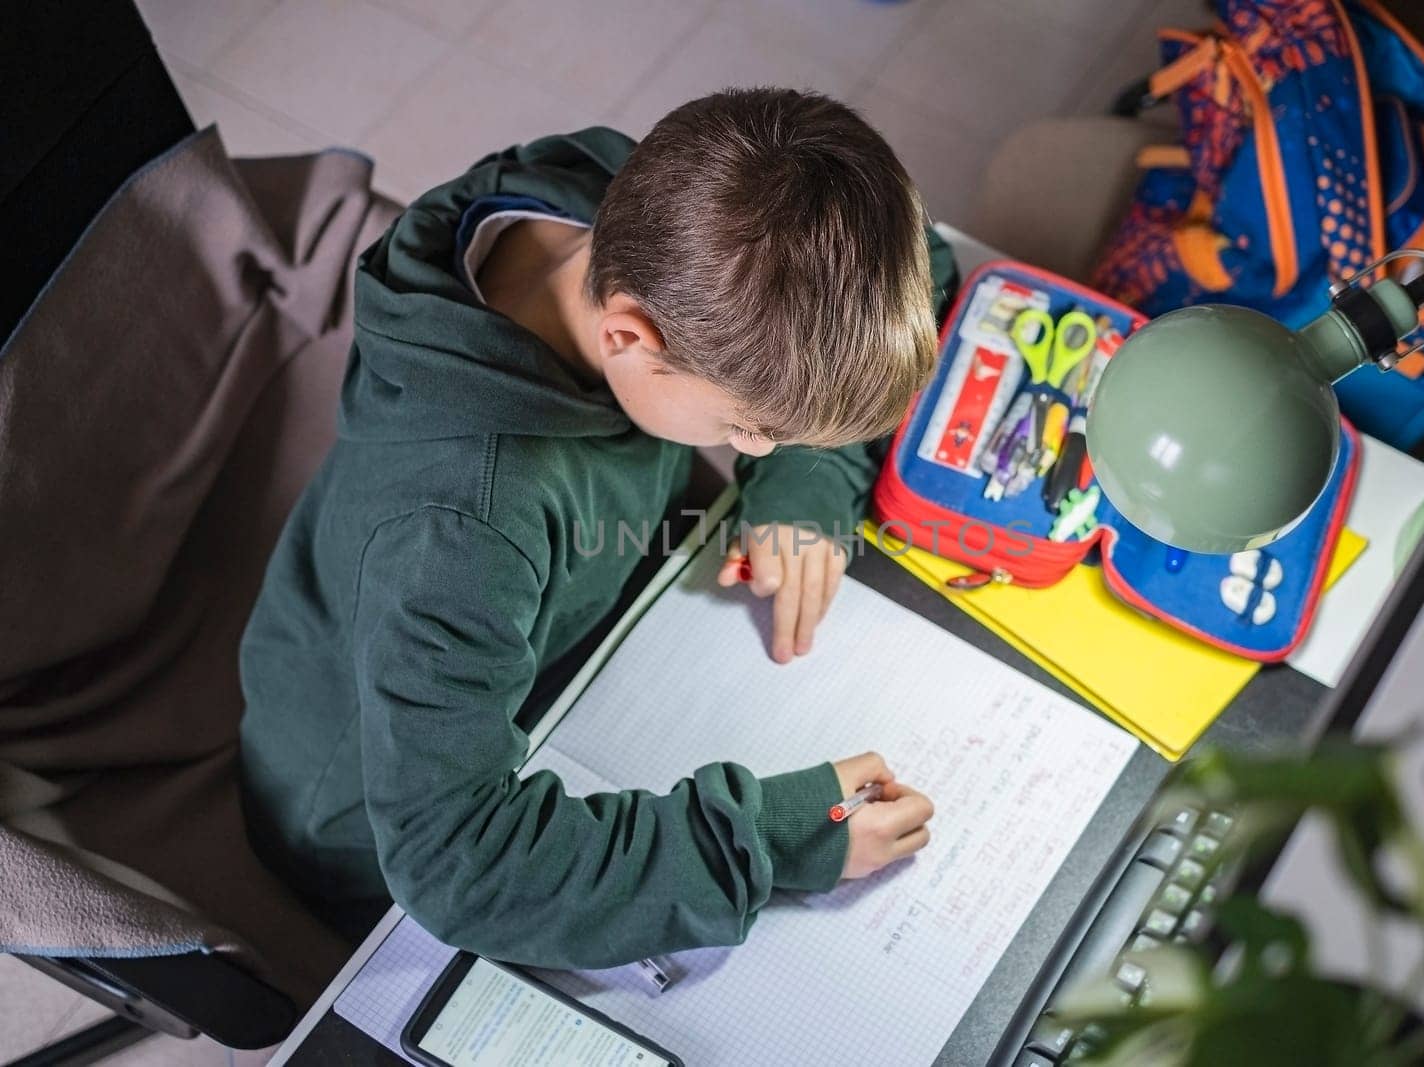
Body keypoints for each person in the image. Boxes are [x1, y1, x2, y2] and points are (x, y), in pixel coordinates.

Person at [238, 87, 955, 967]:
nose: (755, 446)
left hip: (558, 618)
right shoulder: (462, 525)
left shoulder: (664, 208)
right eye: (749, 428)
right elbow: (458, 864)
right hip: (368, 823)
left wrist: (803, 486)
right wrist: (776, 840)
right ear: (629, 336)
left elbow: (919, 256)